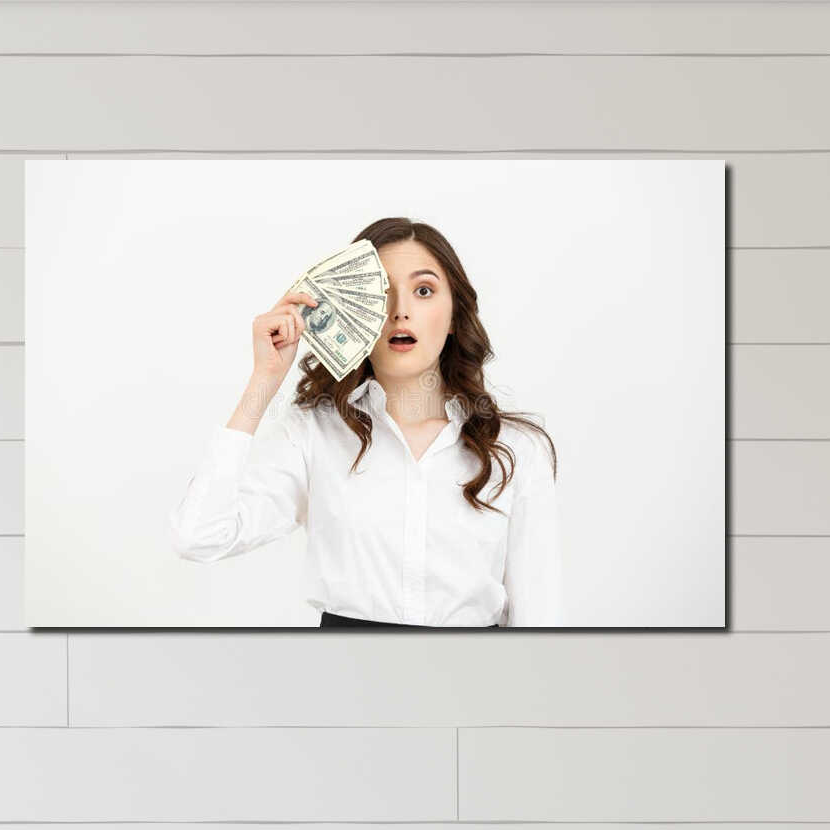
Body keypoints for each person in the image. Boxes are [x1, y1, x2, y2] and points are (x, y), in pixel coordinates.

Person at [170, 218, 560, 628]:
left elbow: (540, 618)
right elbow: (198, 537)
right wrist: (264, 381)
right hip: (346, 665)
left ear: (453, 316)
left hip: (475, 668)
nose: (400, 311)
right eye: (382, 292)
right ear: (351, 309)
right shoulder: (313, 434)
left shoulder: (517, 449)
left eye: (423, 291)